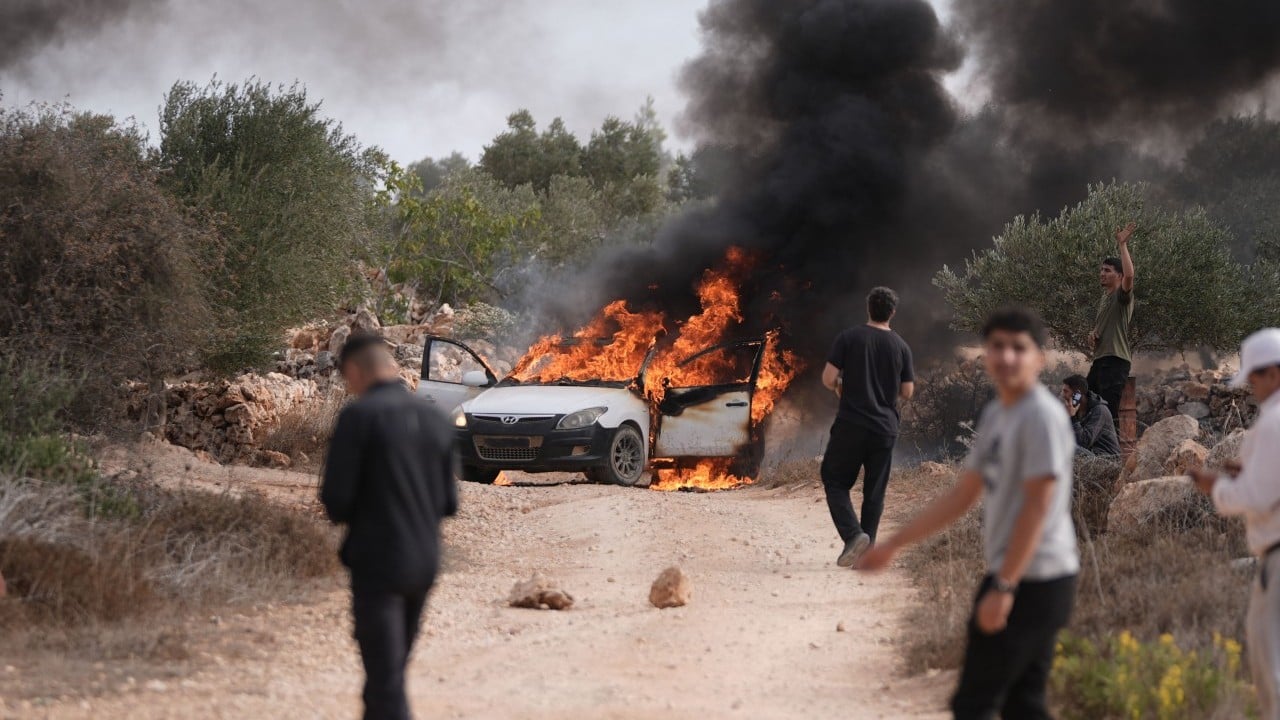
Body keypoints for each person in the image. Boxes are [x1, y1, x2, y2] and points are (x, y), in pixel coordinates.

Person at [859, 307, 1078, 719]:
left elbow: (1038, 506)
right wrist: (892, 544)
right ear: (986, 353)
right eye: (998, 346)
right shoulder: (999, 414)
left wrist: (1005, 587)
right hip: (1021, 575)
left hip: (1038, 578)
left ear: (1039, 359)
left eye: (1019, 347)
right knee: (1023, 705)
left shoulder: (1041, 417)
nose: (1007, 357)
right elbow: (962, 495)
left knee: (974, 703)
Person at [322, 333, 458, 720]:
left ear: (353, 371)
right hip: (424, 563)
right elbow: (449, 503)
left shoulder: (358, 417)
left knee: (385, 680)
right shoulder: (435, 419)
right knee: (389, 672)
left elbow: (337, 502)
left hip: (378, 563)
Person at [1192, 328, 1280, 720]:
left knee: (1272, 670)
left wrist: (1218, 488)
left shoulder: (1274, 422)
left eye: (1256, 379)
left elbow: (1256, 498)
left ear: (1273, 374)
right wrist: (1249, 472)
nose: (1253, 389)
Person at [821, 286, 914, 567]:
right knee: (874, 493)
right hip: (884, 428)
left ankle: (853, 536)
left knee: (834, 480)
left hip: (851, 423)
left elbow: (828, 378)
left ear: (868, 308)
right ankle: (867, 553)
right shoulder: (901, 346)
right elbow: (907, 391)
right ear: (892, 312)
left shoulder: (848, 338)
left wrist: (841, 388)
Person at [1087, 222, 1137, 424]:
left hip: (1116, 361)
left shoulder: (1121, 296)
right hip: (1100, 360)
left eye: (1107, 270)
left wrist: (1122, 245)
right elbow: (1105, 325)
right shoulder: (1104, 298)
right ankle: (1093, 450)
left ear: (1118, 275)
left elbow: (1130, 275)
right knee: (1088, 403)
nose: (1102, 273)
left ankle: (1112, 454)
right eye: (1101, 270)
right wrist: (1093, 334)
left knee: (1109, 411)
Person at [1060, 374, 1121, 457]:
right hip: (1090, 455)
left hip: (1106, 459)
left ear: (1077, 395)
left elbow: (1083, 442)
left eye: (1065, 391)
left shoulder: (1099, 410)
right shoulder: (1075, 410)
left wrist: (1072, 417)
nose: (1062, 395)